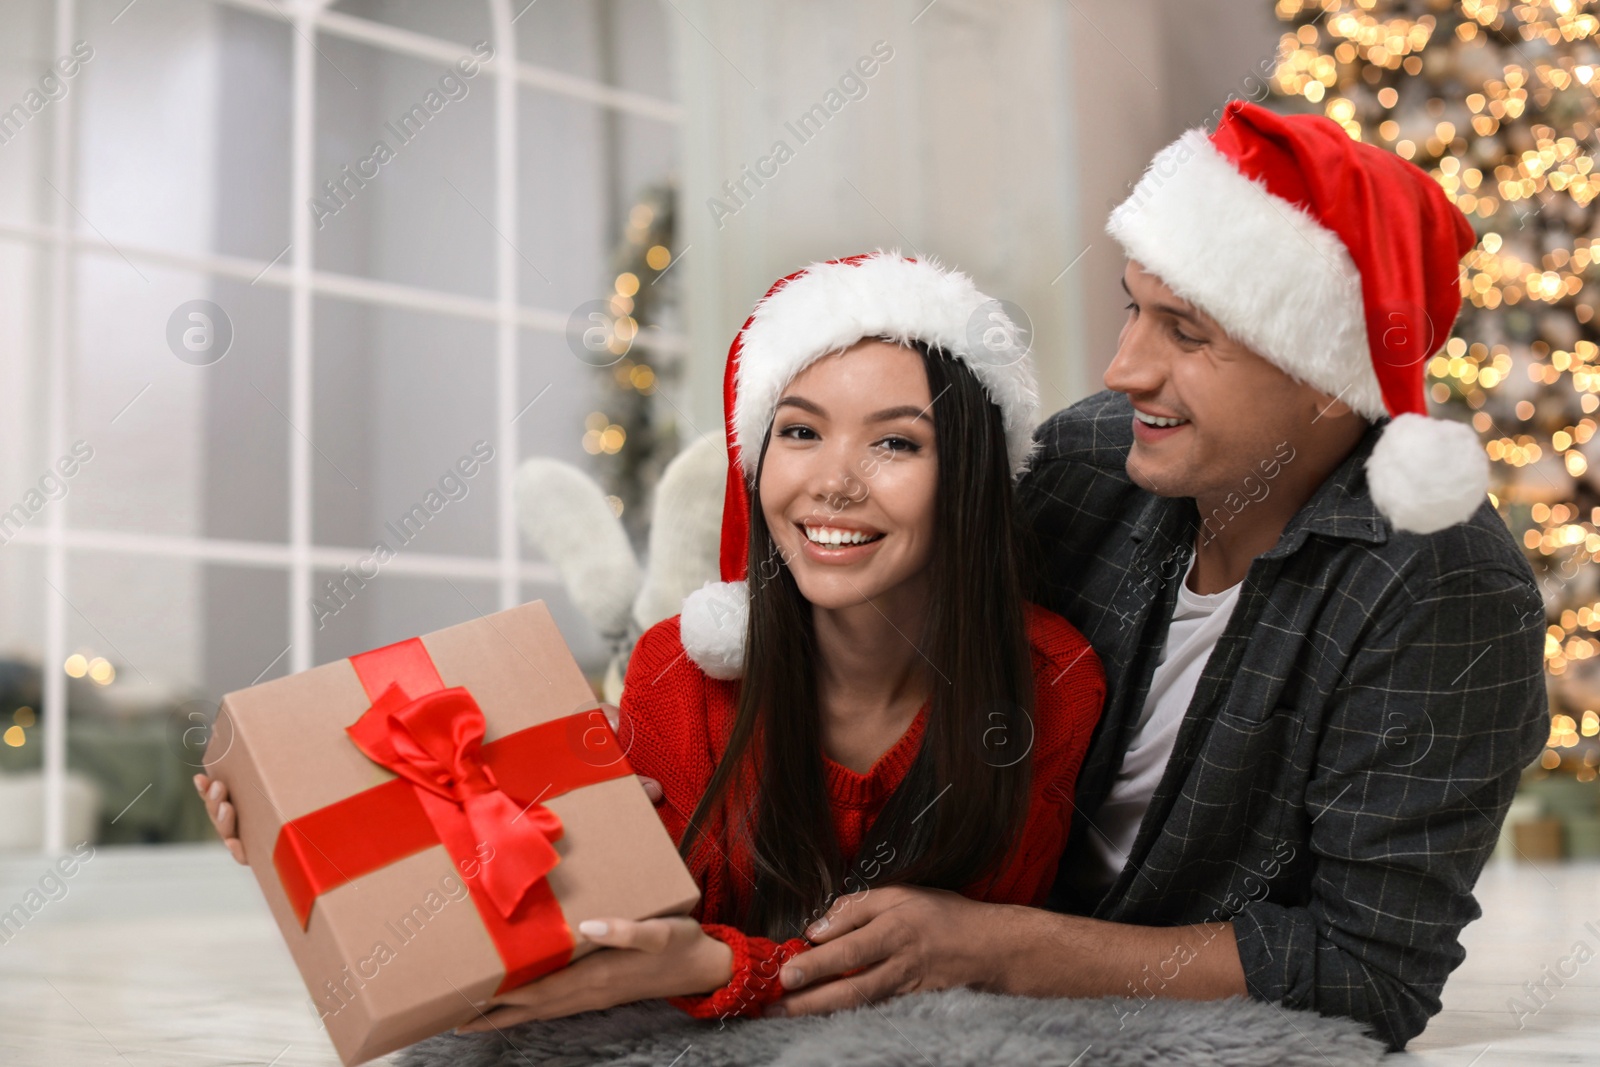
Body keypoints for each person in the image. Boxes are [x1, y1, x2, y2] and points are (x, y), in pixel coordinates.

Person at [759, 101, 1548, 1052]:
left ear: (1329, 374)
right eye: (1135, 307)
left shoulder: (1441, 586)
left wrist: (995, 949)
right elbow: (891, 638)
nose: (1124, 367)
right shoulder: (1088, 462)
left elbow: (1367, 972)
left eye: (1185, 331)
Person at [196, 252, 1107, 1027]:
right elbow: (605, 920)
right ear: (756, 464)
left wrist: (716, 968)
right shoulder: (679, 672)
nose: (834, 481)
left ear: (972, 479)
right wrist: (310, 827)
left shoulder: (1048, 678)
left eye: (895, 445)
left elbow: (948, 971)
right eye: (798, 432)